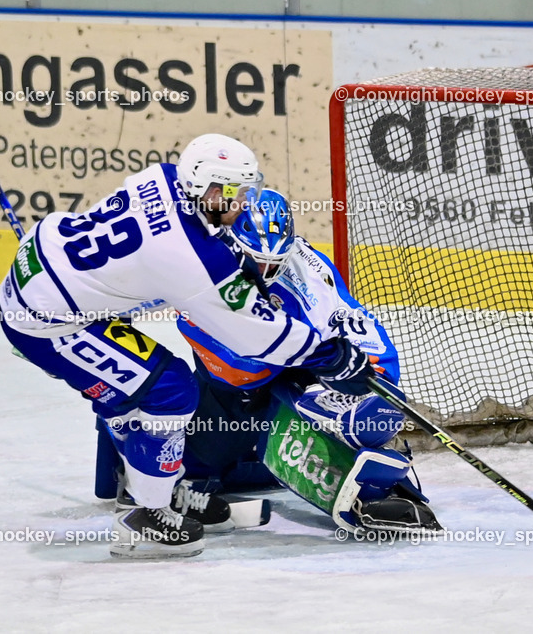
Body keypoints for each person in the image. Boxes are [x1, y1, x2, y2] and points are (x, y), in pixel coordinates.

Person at [0, 134, 377, 559]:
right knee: (171, 390)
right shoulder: (192, 256)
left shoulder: (161, 177)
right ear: (211, 191)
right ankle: (146, 518)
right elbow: (253, 334)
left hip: (43, 266)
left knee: (134, 386)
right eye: (237, 193)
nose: (242, 201)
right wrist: (330, 354)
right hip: (50, 320)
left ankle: (138, 483)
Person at [171, 189, 441, 534]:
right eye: (257, 258)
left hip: (291, 365)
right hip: (229, 389)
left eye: (276, 260)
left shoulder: (307, 265)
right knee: (205, 464)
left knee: (313, 396)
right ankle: (180, 477)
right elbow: (236, 367)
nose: (267, 268)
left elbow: (352, 321)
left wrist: (373, 376)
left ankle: (371, 484)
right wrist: (311, 369)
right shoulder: (202, 269)